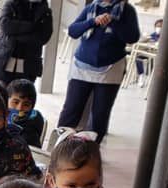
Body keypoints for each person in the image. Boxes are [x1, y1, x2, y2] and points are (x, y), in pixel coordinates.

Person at [58, 0, 140, 143]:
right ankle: (60, 147)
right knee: (71, 110)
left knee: (99, 115)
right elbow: (73, 31)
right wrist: (93, 21)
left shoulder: (127, 11)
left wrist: (112, 22)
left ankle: (90, 153)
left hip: (111, 69)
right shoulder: (91, 7)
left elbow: (132, 37)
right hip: (82, 67)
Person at [0, 0, 53, 84]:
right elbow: (5, 25)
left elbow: (43, 37)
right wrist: (32, 27)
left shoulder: (45, 11)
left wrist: (15, 34)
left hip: (28, 65)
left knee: (23, 95)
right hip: (3, 60)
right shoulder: (12, 3)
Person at [7, 78, 46, 148]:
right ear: (6, 100)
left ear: (32, 107)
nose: (19, 108)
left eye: (26, 105)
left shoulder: (34, 122)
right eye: (15, 102)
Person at [135, 18, 162, 87]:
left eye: (160, 26)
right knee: (138, 57)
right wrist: (146, 38)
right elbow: (141, 42)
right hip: (148, 52)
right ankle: (141, 75)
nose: (158, 28)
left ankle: (151, 78)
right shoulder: (153, 35)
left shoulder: (165, 37)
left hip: (157, 56)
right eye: (157, 26)